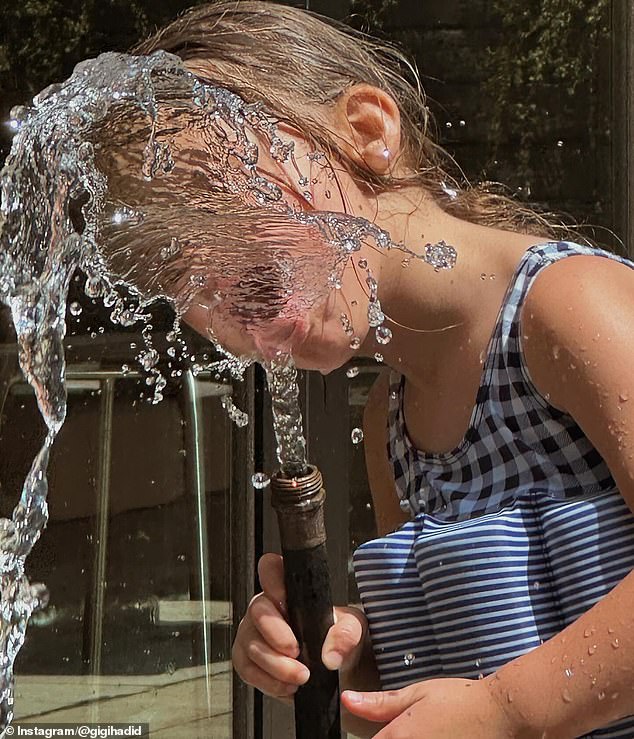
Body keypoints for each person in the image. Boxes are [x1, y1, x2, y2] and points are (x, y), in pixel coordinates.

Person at [134, 3, 634, 737]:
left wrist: (505, 709)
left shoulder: (567, 307)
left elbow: (491, 702)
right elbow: (452, 670)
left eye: (219, 202)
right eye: (175, 267)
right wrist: (344, 647)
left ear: (366, 133)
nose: (215, 272)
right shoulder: (391, 420)